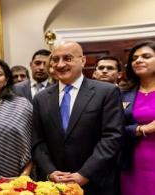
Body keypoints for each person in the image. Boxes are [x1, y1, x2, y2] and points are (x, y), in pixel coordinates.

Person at [32, 41, 123, 195]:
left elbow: (112, 137)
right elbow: (38, 141)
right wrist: (50, 172)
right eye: (55, 59)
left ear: (83, 60)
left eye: (67, 58)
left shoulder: (106, 92)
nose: (60, 65)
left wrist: (85, 174)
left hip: (96, 183)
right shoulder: (41, 98)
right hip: (53, 186)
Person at [120, 40, 155, 195]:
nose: (139, 60)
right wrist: (142, 129)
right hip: (133, 163)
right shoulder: (122, 93)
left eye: (146, 56)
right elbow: (114, 129)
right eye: (134, 58)